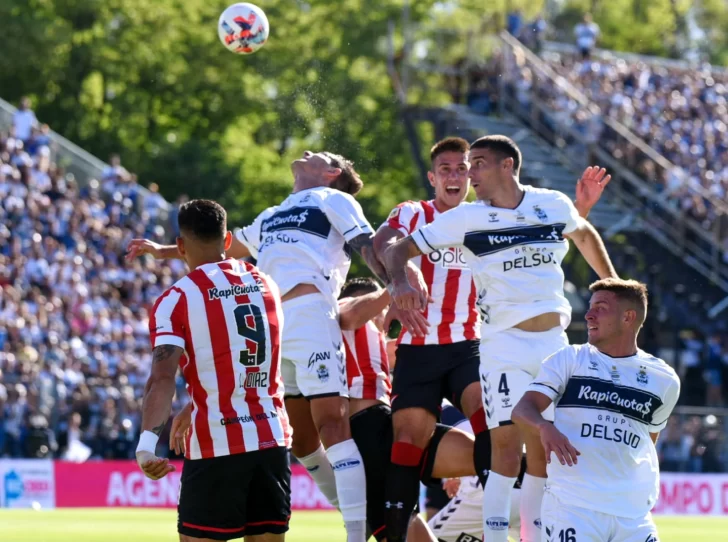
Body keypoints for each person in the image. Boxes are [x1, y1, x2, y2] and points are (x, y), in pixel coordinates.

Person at [127, 151, 416, 542]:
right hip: (273, 321)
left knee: (332, 424)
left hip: (312, 312)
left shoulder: (335, 200)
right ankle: (364, 522)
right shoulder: (272, 214)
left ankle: (354, 535)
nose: (308, 153)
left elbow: (367, 244)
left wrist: (395, 280)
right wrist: (160, 251)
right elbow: (221, 248)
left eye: (321, 155)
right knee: (301, 442)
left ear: (331, 172)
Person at [382, 135, 617, 542]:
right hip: (502, 347)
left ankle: (536, 537)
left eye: (477, 163)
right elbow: (396, 250)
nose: (469, 173)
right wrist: (402, 280)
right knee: (504, 448)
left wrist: (611, 283)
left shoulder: (552, 204)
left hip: (554, 345)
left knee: (545, 453)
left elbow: (582, 233)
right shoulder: (466, 218)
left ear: (507, 166)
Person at [134, 199, 292, 542]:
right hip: (272, 440)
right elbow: (246, 358)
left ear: (180, 245)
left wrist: (147, 445)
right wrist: (194, 406)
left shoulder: (176, 299)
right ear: (227, 239)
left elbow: (162, 379)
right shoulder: (266, 285)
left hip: (218, 445)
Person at [512, 279, 680, 542]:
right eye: (590, 307)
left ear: (628, 317)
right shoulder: (569, 359)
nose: (589, 314)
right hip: (573, 508)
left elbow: (648, 440)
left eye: (600, 307)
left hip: (633, 515)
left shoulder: (665, 379)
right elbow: (523, 408)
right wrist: (544, 427)